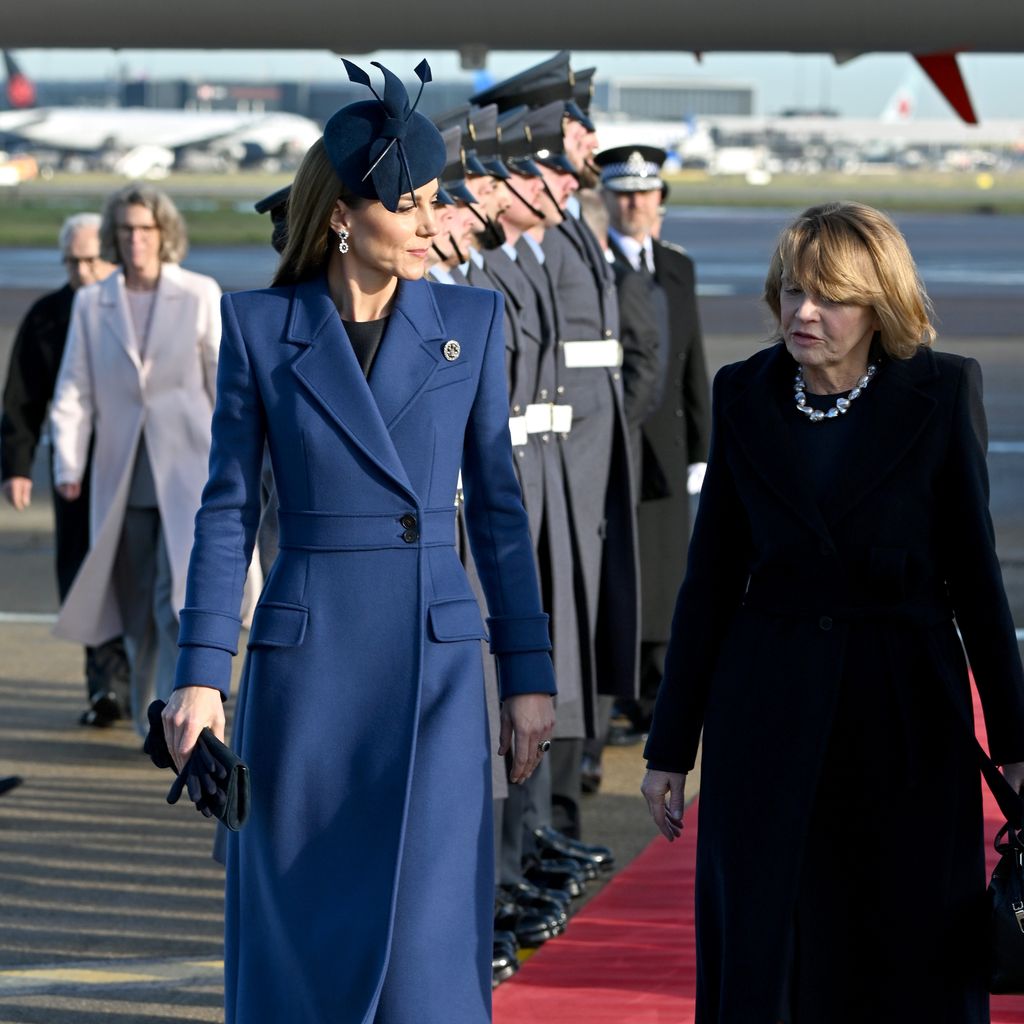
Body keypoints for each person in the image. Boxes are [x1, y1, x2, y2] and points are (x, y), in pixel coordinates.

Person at [160, 59, 556, 1024]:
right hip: (308, 676)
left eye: (433, 203)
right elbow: (226, 512)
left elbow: (499, 511)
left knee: (429, 939)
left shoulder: (473, 319)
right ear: (343, 214)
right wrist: (202, 671)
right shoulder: (260, 328)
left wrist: (530, 672)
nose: (433, 226)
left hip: (437, 668)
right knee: (302, 929)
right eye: (410, 205)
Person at [641, 201, 1024, 1023]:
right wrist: (671, 746)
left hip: (905, 708)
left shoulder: (942, 389)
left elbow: (978, 584)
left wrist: (1017, 744)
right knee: (769, 940)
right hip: (768, 712)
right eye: (790, 293)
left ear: (879, 302)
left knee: (905, 942)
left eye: (830, 297)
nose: (803, 313)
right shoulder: (743, 392)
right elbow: (708, 583)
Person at [50, 184, 223, 739]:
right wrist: (68, 465)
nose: (136, 239)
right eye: (125, 229)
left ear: (163, 233)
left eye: (145, 229)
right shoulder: (91, 301)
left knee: (175, 598)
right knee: (133, 599)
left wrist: (241, 458)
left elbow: (224, 383)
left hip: (188, 470)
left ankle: (175, 716)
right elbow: (74, 389)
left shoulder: (198, 294)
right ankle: (152, 713)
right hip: (122, 476)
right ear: (114, 237)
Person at [595, 146, 711, 758]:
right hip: (609, 441)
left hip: (665, 443)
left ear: (659, 200)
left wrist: (700, 445)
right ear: (605, 199)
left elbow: (691, 358)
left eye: (644, 193)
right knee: (618, 565)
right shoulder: (592, 265)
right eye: (622, 193)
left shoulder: (677, 266)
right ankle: (616, 688)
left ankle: (656, 692)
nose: (634, 203)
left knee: (668, 570)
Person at [1, 214, 129, 726]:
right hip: (74, 464)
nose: (81, 270)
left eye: (91, 259)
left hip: (137, 459)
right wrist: (17, 466)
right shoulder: (48, 315)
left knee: (147, 570)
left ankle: (157, 682)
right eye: (73, 261)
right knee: (81, 574)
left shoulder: (138, 307)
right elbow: (20, 399)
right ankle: (105, 690)